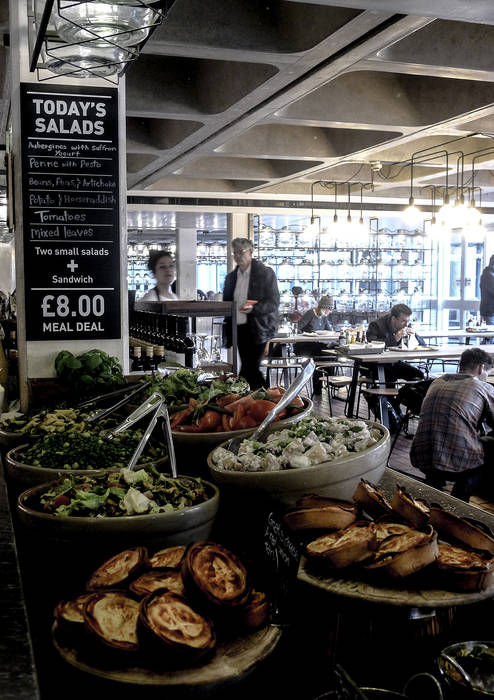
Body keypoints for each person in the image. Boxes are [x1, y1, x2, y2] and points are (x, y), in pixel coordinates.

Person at [410, 347, 494, 502]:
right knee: (489, 449)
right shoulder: (482, 387)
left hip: (422, 456)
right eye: (487, 373)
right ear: (481, 368)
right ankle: (460, 497)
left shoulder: (436, 382)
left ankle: (433, 488)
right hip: (458, 463)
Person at [222, 237, 280, 389]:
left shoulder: (265, 273)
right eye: (235, 253)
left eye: (241, 252)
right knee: (249, 368)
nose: (237, 256)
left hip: (259, 328)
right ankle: (262, 399)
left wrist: (254, 308)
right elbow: (226, 304)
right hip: (239, 328)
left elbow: (273, 302)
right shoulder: (231, 278)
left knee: (250, 368)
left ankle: (261, 398)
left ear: (251, 252)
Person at [366, 303, 426, 384]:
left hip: (394, 362)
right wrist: (395, 338)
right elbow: (371, 346)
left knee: (419, 375)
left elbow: (423, 345)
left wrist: (414, 335)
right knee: (390, 377)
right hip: (375, 364)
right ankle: (386, 396)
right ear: (394, 319)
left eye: (408, 321)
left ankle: (404, 395)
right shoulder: (376, 325)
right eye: (403, 321)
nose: (406, 324)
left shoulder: (406, 325)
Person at [294, 295, 334, 394]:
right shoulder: (310, 313)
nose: (328, 313)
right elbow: (297, 328)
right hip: (304, 345)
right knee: (321, 354)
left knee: (332, 352)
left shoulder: (323, 317)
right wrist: (308, 334)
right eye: (327, 310)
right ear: (322, 307)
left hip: (316, 345)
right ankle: (318, 386)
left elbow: (329, 330)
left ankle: (330, 380)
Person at [480, 255, 494, 338]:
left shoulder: (489, 274)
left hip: (489, 311)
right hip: (490, 312)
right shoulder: (489, 275)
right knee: (489, 337)